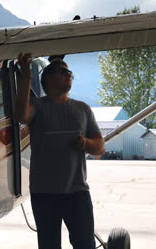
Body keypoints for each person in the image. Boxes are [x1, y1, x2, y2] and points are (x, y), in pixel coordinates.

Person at [15, 53, 105, 249]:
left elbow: (100, 146)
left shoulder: (83, 109)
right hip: (44, 194)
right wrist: (26, 78)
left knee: (85, 245)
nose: (69, 75)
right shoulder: (37, 106)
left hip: (77, 192)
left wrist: (85, 144)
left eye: (70, 72)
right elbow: (22, 115)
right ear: (48, 77)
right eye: (63, 71)